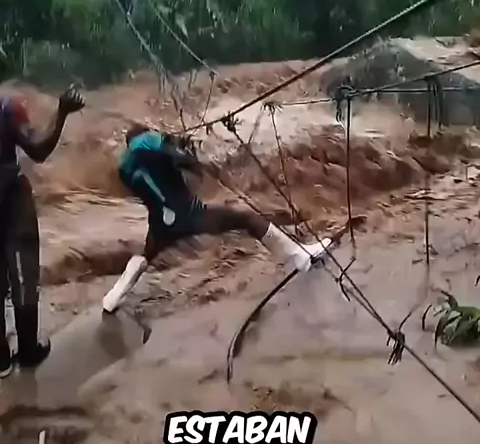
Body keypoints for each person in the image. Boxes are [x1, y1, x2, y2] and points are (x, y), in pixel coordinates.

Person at [102, 124, 365, 314]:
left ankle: (114, 297)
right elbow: (180, 160)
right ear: (144, 134)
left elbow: (153, 179)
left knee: (148, 253)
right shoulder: (151, 140)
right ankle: (299, 256)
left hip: (160, 224)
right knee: (248, 220)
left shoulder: (125, 167)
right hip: (191, 215)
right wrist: (188, 155)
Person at [0, 85, 85, 377]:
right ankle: (27, 352)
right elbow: (38, 149)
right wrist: (61, 113)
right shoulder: (8, 107)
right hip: (10, 198)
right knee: (23, 274)